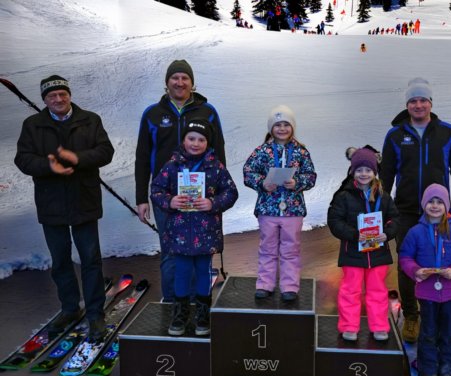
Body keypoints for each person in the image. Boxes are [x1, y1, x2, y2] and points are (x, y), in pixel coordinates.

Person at [14, 75, 114, 341]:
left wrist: (77, 158)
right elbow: (23, 159)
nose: (58, 99)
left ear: (69, 95)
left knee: (91, 260)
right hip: (51, 203)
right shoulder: (33, 125)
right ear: (45, 100)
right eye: (52, 96)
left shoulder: (90, 120)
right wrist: (49, 166)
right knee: (60, 261)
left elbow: (106, 152)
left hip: (84, 199)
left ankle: (95, 314)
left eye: (62, 94)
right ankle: (70, 309)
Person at [380, 77, 451, 343]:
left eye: (423, 100)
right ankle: (411, 315)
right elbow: (386, 176)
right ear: (407, 104)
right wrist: (381, 211)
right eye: (413, 101)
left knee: (441, 259)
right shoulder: (395, 135)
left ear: (431, 102)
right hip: (405, 210)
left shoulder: (448, 133)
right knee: (407, 262)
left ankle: (437, 310)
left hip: (439, 211)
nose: (418, 105)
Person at [135, 59, 226, 302]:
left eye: (185, 78)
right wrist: (141, 198)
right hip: (166, 195)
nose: (180, 82)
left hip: (201, 195)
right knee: (171, 252)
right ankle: (172, 304)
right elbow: (142, 157)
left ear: (192, 83)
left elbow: (219, 152)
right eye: (175, 77)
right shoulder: (153, 114)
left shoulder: (207, 112)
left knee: (200, 250)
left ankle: (196, 304)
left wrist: (217, 197)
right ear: (167, 82)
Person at [150, 119, 238, 336]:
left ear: (208, 143)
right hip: (179, 233)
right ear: (183, 140)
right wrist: (169, 201)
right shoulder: (172, 166)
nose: (196, 143)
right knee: (181, 272)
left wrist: (213, 203)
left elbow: (231, 192)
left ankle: (202, 315)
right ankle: (179, 315)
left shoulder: (216, 167)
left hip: (206, 233)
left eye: (201, 140)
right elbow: (156, 189)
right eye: (191, 138)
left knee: (203, 272)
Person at [398, 184, 451, 376]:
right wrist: (416, 271)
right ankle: (427, 368)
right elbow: (405, 257)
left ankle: (449, 370)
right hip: (427, 292)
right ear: (424, 204)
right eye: (430, 201)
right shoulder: (415, 232)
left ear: (446, 206)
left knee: (450, 332)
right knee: (428, 331)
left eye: (440, 202)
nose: (434, 205)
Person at [243, 105, 317, 302]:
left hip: (293, 210)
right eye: (277, 125)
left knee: (290, 249)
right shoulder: (262, 151)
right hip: (267, 209)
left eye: (286, 124)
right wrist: (262, 183)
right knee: (267, 248)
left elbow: (311, 176)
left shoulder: (301, 152)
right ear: (271, 128)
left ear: (292, 127)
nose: (282, 128)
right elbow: (248, 172)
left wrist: (297, 183)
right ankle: (264, 284)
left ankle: (289, 286)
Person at [327, 148, 399, 341]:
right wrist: (354, 234)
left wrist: (387, 233)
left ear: (374, 172)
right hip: (353, 253)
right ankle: (349, 326)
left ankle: (379, 327)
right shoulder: (343, 196)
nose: (364, 174)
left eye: (368, 170)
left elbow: (395, 219)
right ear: (352, 171)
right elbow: (334, 221)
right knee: (350, 291)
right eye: (359, 170)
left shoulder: (384, 196)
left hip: (378, 254)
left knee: (378, 291)